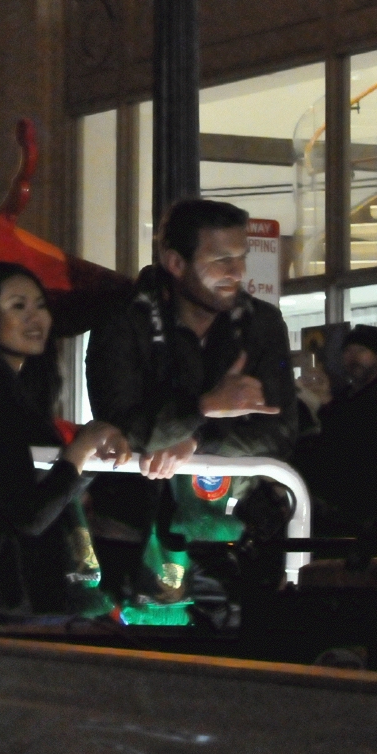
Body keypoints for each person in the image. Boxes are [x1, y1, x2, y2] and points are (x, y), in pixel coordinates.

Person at [86, 199, 296, 613]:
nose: (236, 273)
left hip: (236, 530)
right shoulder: (124, 322)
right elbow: (122, 426)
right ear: (176, 263)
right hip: (132, 527)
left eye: (240, 258)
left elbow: (279, 429)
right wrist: (202, 407)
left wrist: (196, 441)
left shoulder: (261, 324)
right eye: (221, 259)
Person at [0, 263, 130, 620]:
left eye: (40, 305)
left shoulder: (23, 393)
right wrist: (78, 452)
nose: (35, 317)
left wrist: (87, 454)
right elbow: (29, 512)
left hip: (32, 591)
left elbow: (48, 494)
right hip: (5, 596)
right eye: (17, 306)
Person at [294, 324, 377, 533]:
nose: (353, 357)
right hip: (340, 509)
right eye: (348, 351)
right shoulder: (348, 397)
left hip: (367, 513)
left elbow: (354, 443)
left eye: (362, 351)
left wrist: (325, 406)